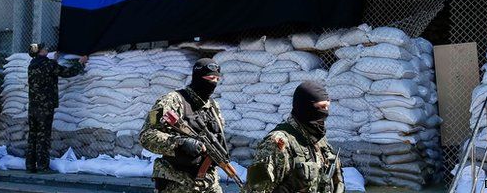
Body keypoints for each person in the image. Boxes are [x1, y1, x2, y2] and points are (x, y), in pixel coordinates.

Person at [139, 58, 226, 193]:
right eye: (210, 78)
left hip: (208, 183)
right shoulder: (170, 100)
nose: (213, 82)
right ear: (197, 77)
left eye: (216, 79)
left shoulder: (213, 107)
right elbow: (146, 135)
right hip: (177, 183)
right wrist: (179, 143)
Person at [243, 81, 345, 193]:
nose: (325, 112)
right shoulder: (278, 142)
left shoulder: (319, 140)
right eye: (321, 107)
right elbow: (255, 189)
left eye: (327, 107)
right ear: (304, 107)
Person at [25, 43, 87, 173]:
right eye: (45, 48)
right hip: (45, 107)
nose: (47, 49)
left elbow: (46, 69)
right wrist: (80, 63)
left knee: (33, 136)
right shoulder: (49, 65)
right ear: (41, 51)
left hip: (33, 106)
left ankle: (30, 166)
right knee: (43, 137)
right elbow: (67, 72)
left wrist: (54, 60)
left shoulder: (32, 65)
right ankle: (43, 167)